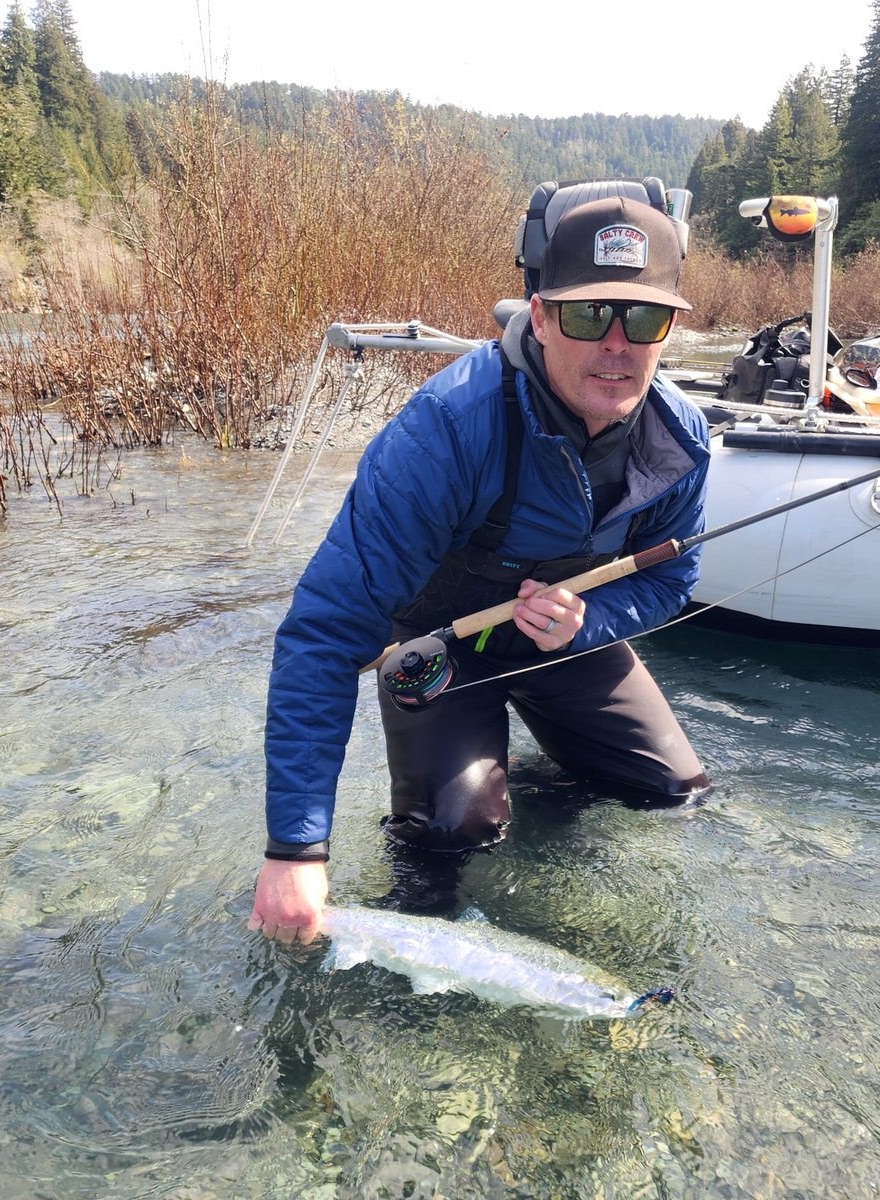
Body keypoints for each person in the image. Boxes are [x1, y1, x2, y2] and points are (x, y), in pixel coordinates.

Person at [251, 194, 712, 943]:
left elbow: (669, 582)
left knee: (675, 792)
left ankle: (527, 778)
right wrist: (295, 851)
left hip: (565, 645)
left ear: (669, 330)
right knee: (456, 830)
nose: (617, 345)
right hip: (440, 648)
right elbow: (324, 634)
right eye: (590, 315)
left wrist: (589, 621)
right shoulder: (447, 429)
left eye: (644, 319)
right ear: (541, 317)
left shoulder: (680, 440)